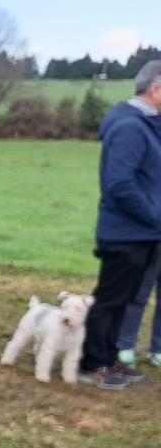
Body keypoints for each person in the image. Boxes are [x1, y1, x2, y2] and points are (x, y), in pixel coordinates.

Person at [78, 59, 161, 389]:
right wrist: (155, 217)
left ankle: (111, 358)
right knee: (110, 300)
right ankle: (92, 363)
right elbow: (119, 184)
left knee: (125, 300)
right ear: (157, 90)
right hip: (125, 233)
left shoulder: (148, 125)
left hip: (143, 232)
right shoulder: (130, 127)